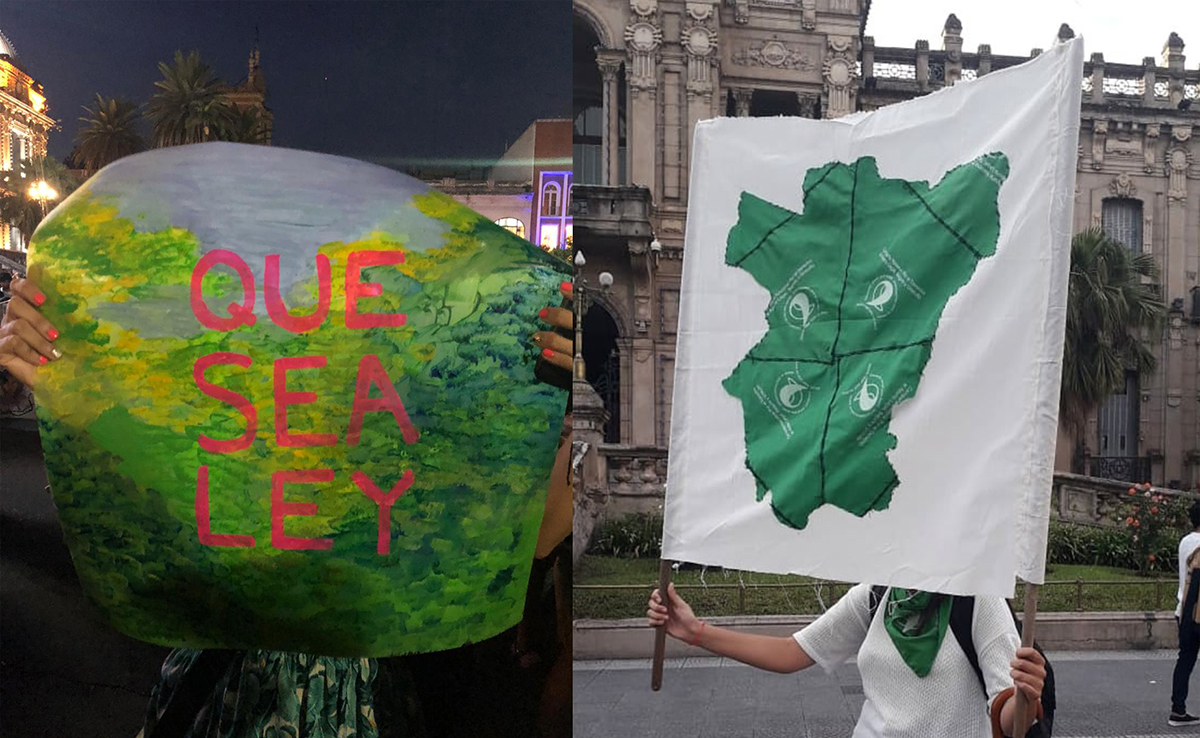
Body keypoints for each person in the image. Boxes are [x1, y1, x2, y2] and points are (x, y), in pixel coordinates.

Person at [0, 273, 574, 738]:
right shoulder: (225, 454)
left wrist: (558, 387)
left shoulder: (435, 471)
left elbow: (532, 544)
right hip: (213, 700)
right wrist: (57, 364)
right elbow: (114, 504)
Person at [648, 581, 1046, 738]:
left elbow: (1010, 721)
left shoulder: (978, 599)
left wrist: (1026, 695)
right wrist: (696, 632)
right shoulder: (877, 596)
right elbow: (792, 651)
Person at [1170, 501, 1200, 727]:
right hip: (1197, 612)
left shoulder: (1185, 542)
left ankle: (1177, 709)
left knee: (1185, 660)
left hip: (1183, 610)